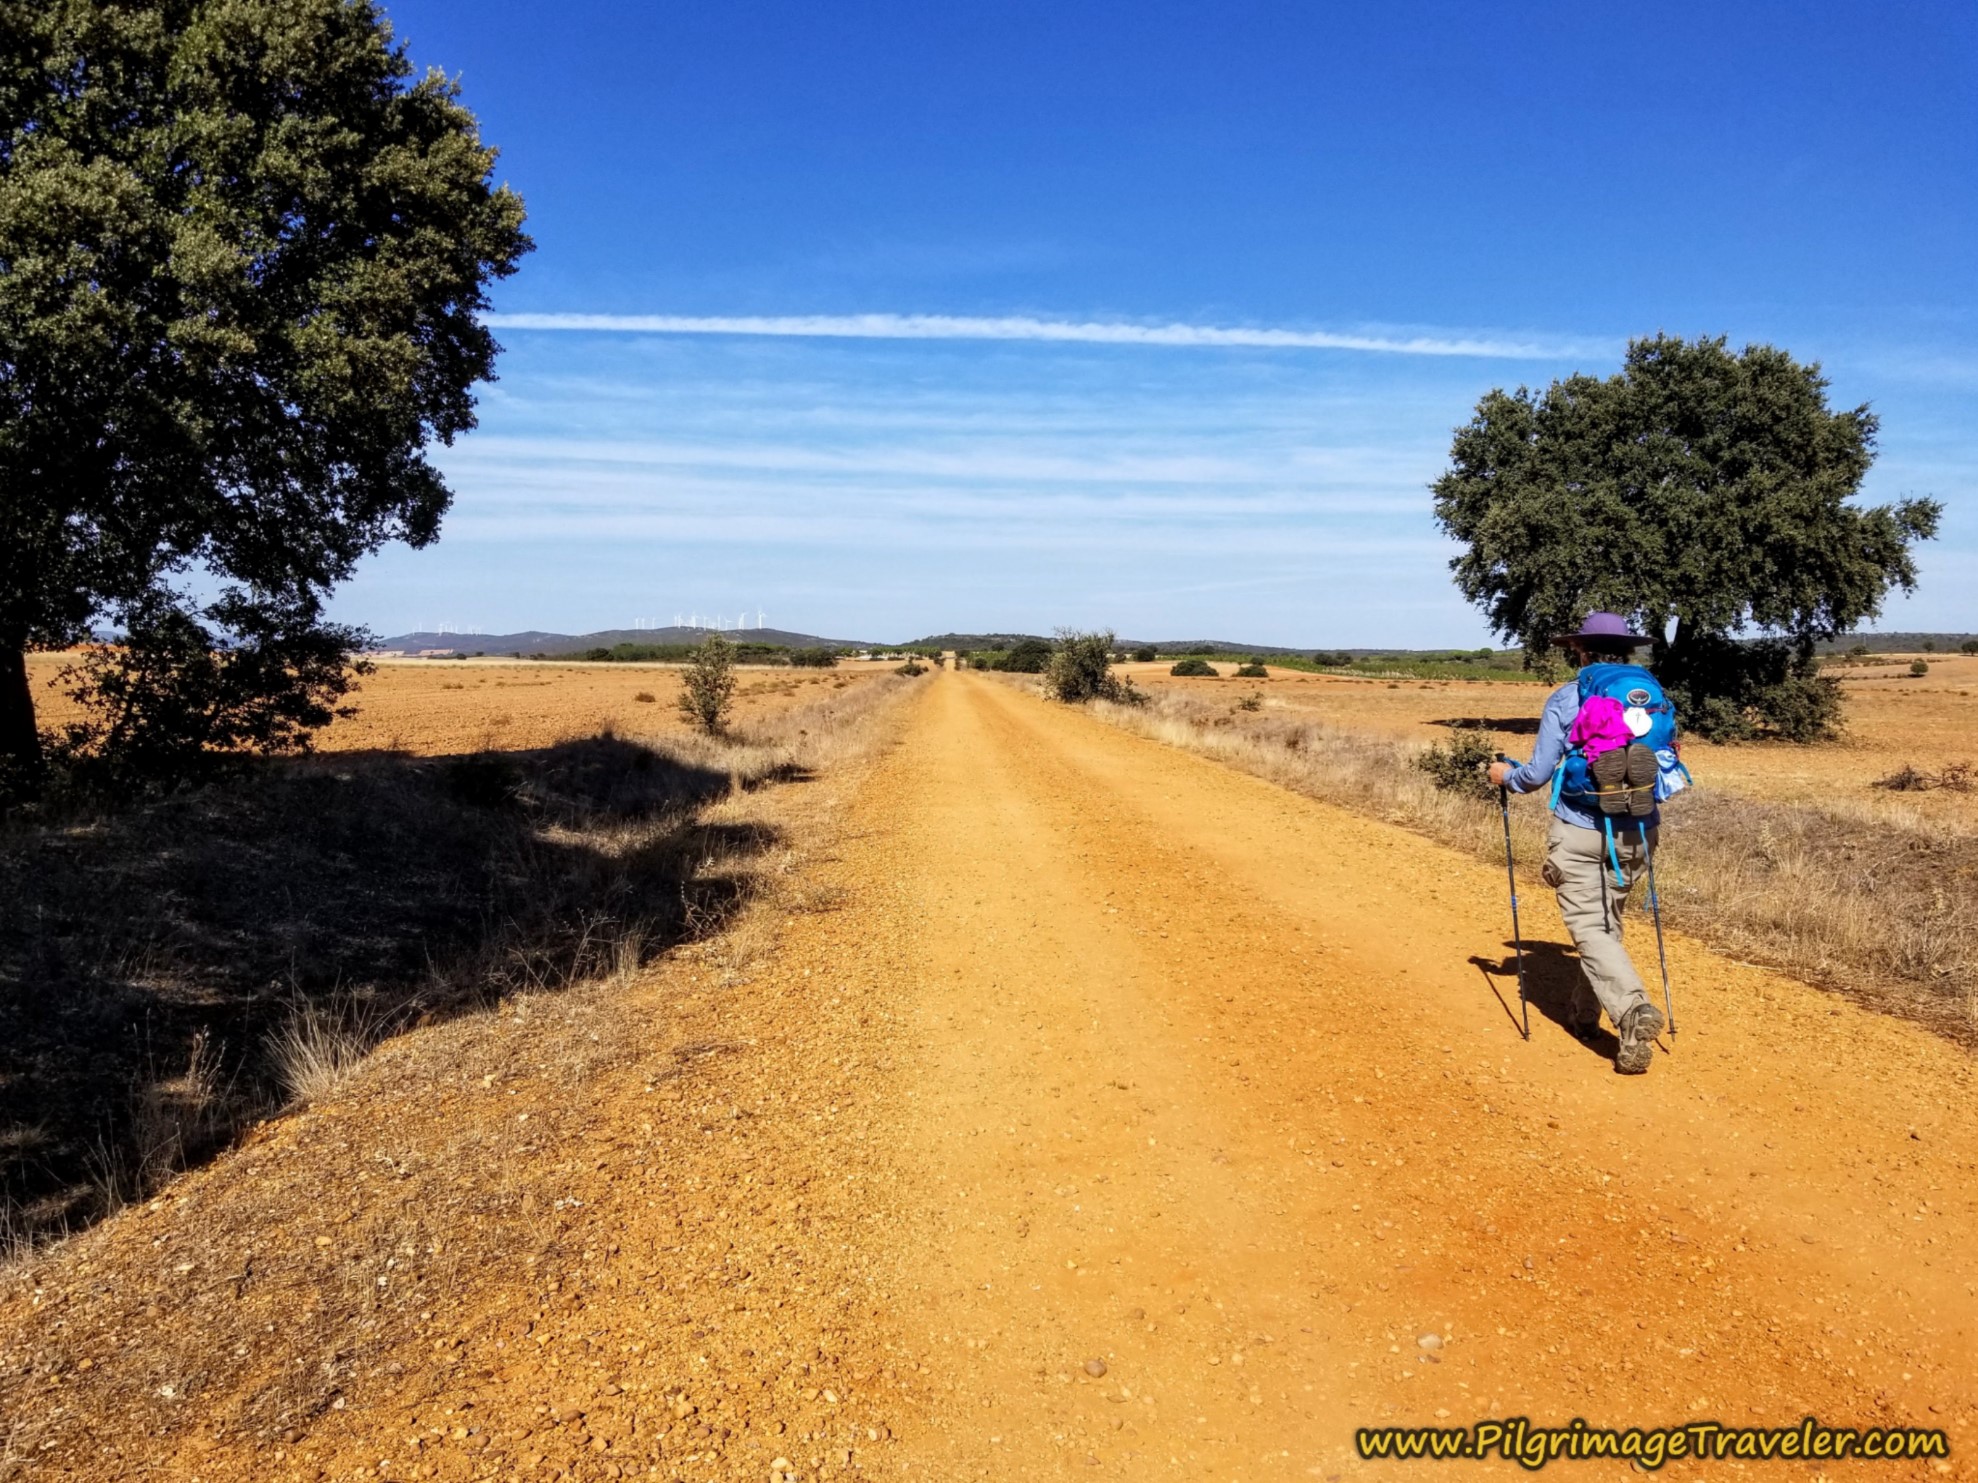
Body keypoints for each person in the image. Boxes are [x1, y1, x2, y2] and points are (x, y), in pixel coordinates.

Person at [1487, 613, 1668, 1074]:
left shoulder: (1568, 698)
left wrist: (1503, 776)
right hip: (1639, 828)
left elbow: (1536, 776)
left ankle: (1632, 1010)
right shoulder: (1653, 698)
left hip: (1580, 828)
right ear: (1627, 651)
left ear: (1580, 650)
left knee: (1590, 927)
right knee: (1607, 924)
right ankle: (1586, 1016)